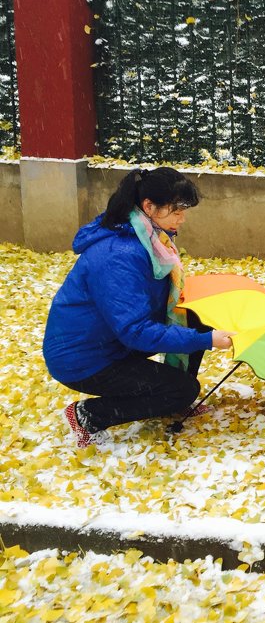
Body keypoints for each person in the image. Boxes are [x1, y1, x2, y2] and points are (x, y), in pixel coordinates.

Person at [43, 167, 233, 447]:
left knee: (192, 317)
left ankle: (167, 397)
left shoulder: (148, 237)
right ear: (149, 207)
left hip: (111, 341)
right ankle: (89, 415)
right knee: (184, 389)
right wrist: (206, 340)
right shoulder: (118, 256)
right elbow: (134, 330)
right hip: (83, 359)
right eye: (177, 210)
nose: (183, 218)